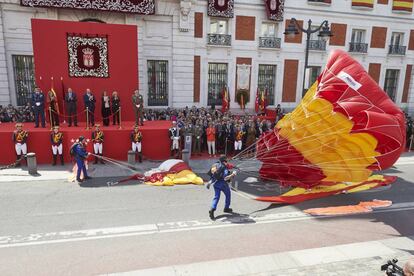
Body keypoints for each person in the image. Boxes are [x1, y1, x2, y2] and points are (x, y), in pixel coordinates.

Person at [208, 155, 236, 220]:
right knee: (228, 195)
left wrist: (210, 183)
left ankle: (212, 209)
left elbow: (213, 176)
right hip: (223, 184)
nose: (227, 162)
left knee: (216, 197)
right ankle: (226, 208)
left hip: (216, 185)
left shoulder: (215, 165)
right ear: (224, 161)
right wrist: (233, 174)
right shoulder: (224, 168)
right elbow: (225, 178)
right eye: (226, 161)